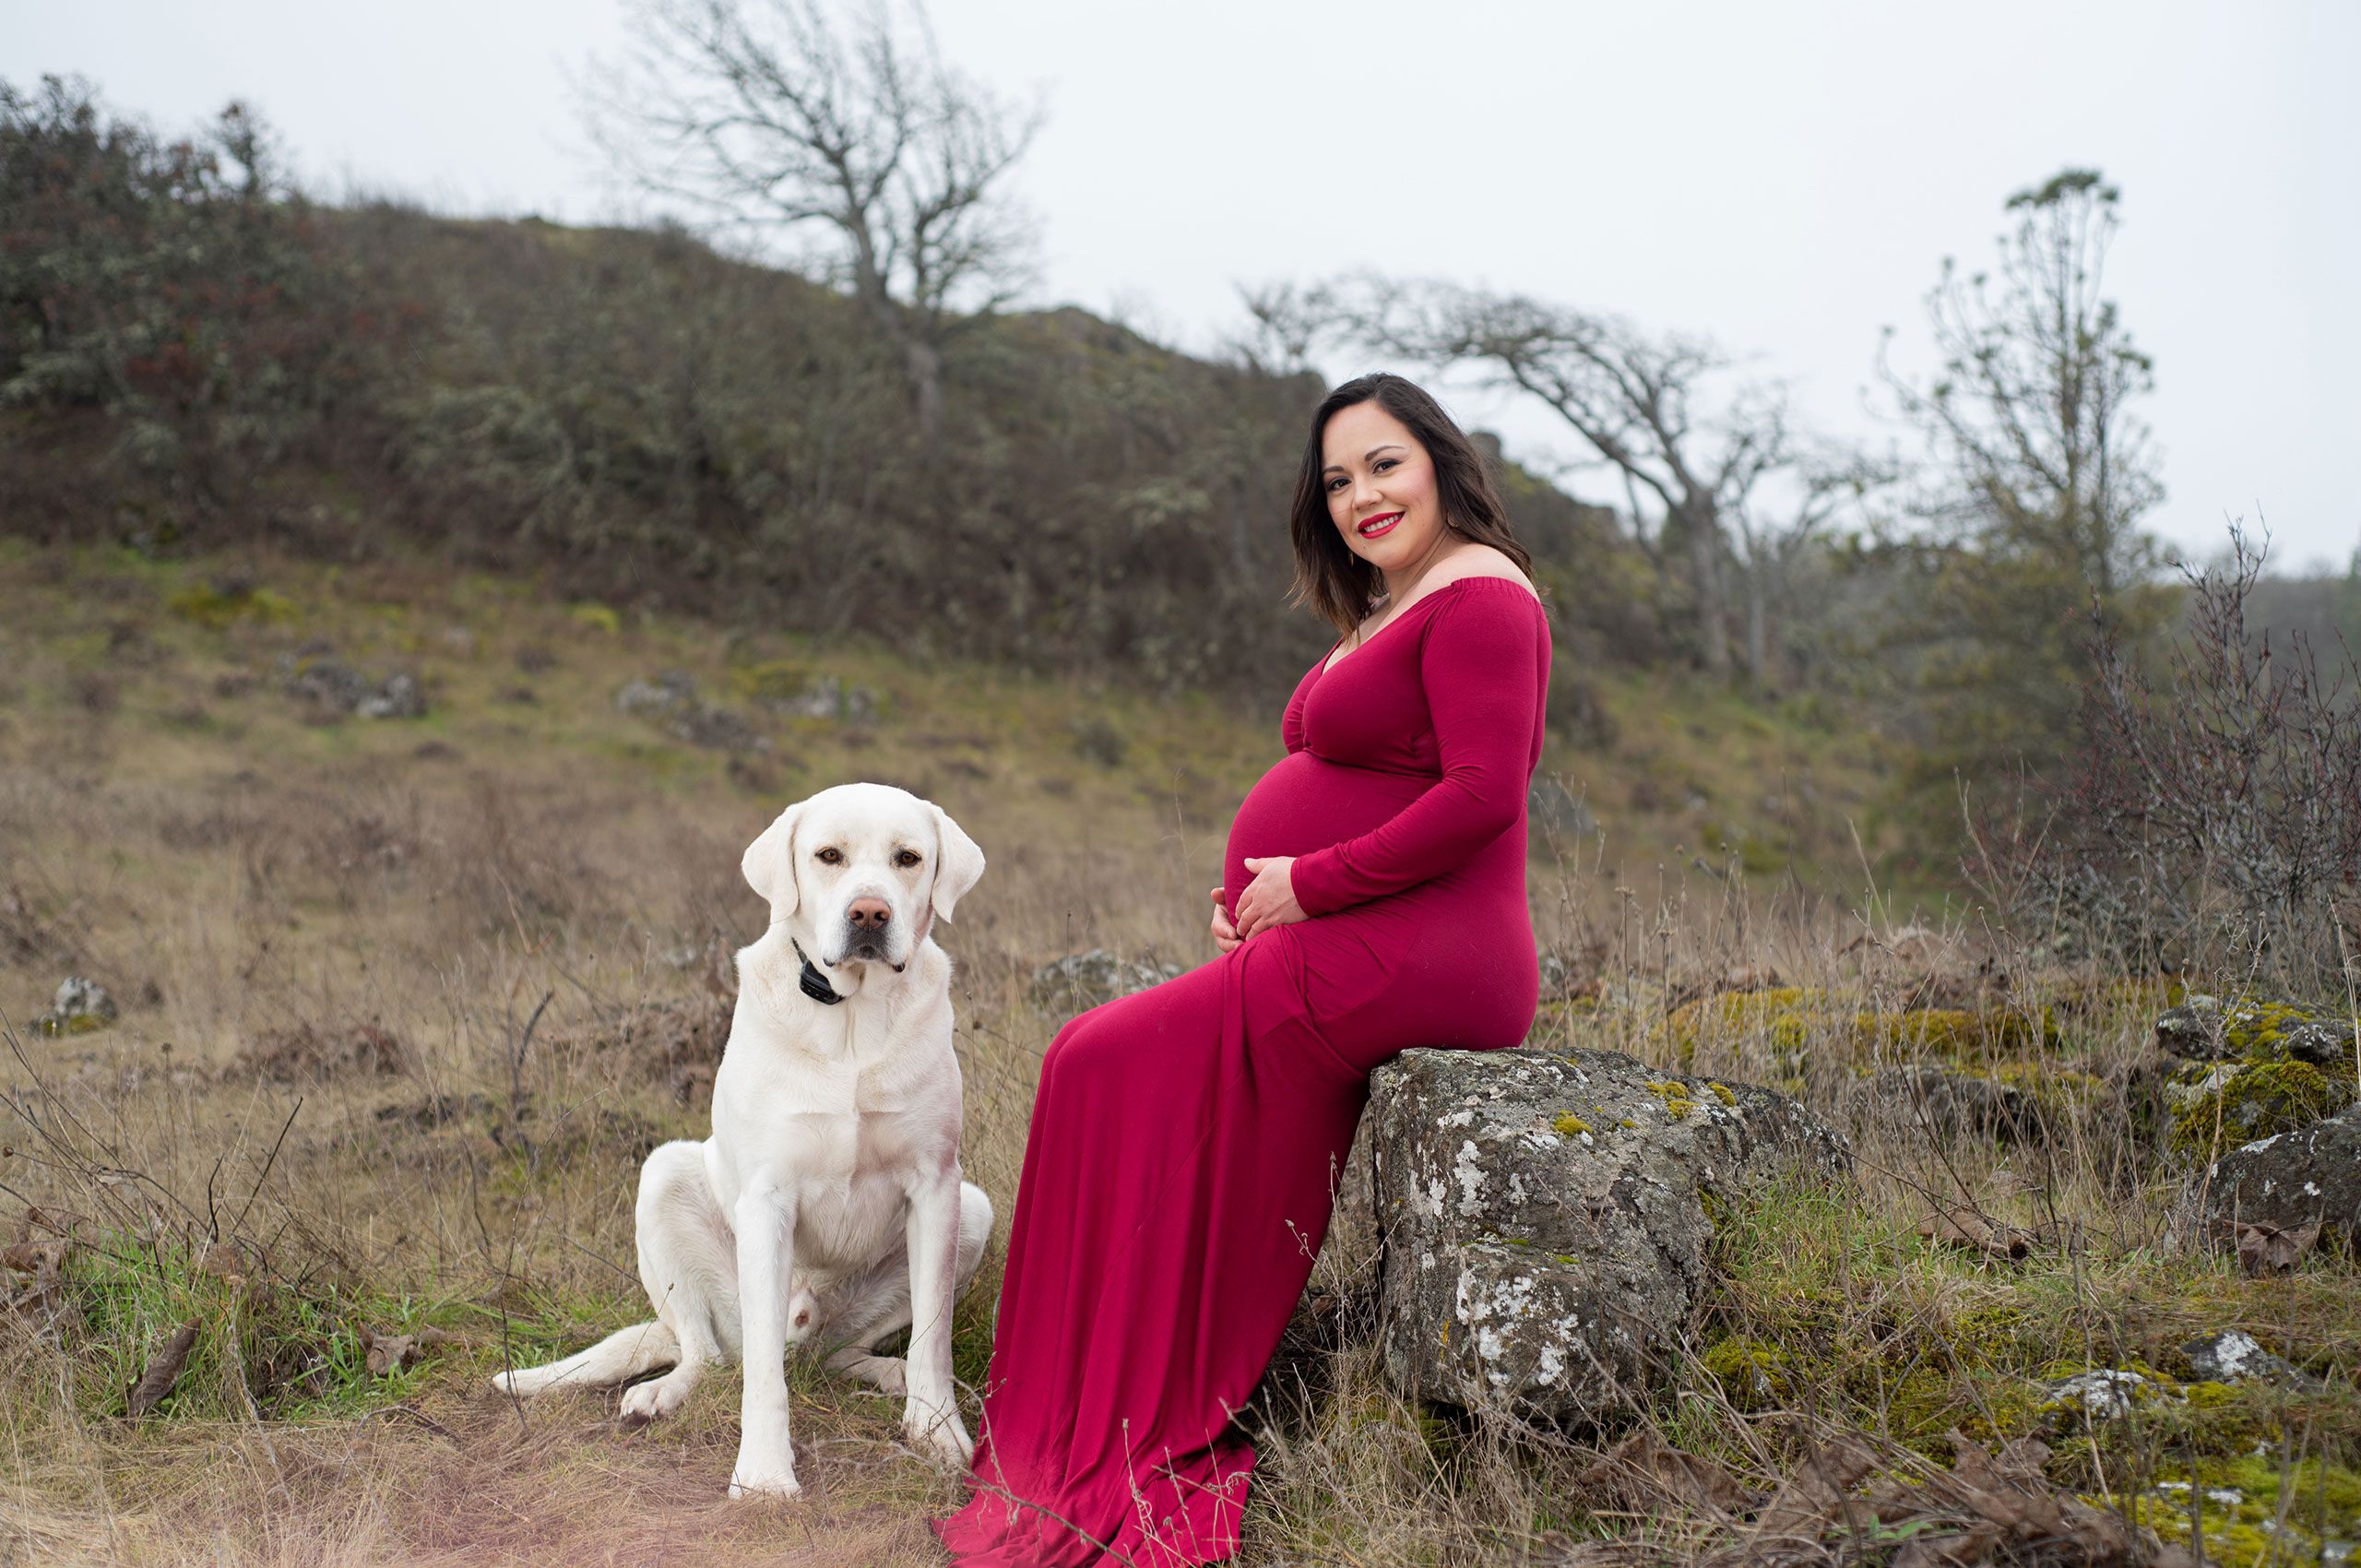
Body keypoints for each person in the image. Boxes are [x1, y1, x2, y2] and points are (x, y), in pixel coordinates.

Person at [933, 373, 1551, 1566]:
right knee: (1085, 1059)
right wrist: (1266, 906)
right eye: (1337, 480)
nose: (1362, 494)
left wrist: (1307, 888)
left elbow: (1483, 798)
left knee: (1096, 1056)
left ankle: (1124, 1415)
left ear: (1440, 460)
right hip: (1359, 935)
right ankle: (1070, 1409)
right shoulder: (1395, 604)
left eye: (1383, 463)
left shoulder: (1486, 599)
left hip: (1443, 951)